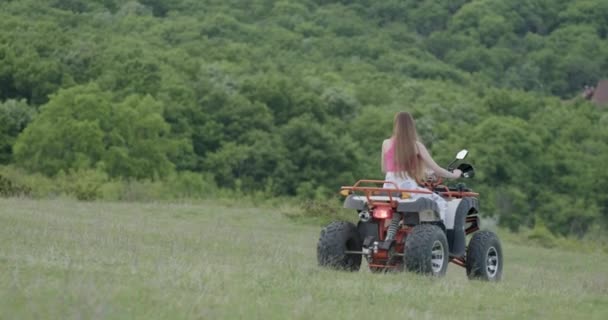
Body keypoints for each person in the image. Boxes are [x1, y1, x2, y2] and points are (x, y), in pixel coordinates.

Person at [381, 112, 461, 221]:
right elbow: (437, 170)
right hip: (408, 190)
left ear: (396, 125)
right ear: (411, 126)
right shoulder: (416, 145)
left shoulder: (386, 143)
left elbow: (385, 169)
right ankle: (440, 234)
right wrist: (454, 175)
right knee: (441, 202)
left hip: (389, 189)